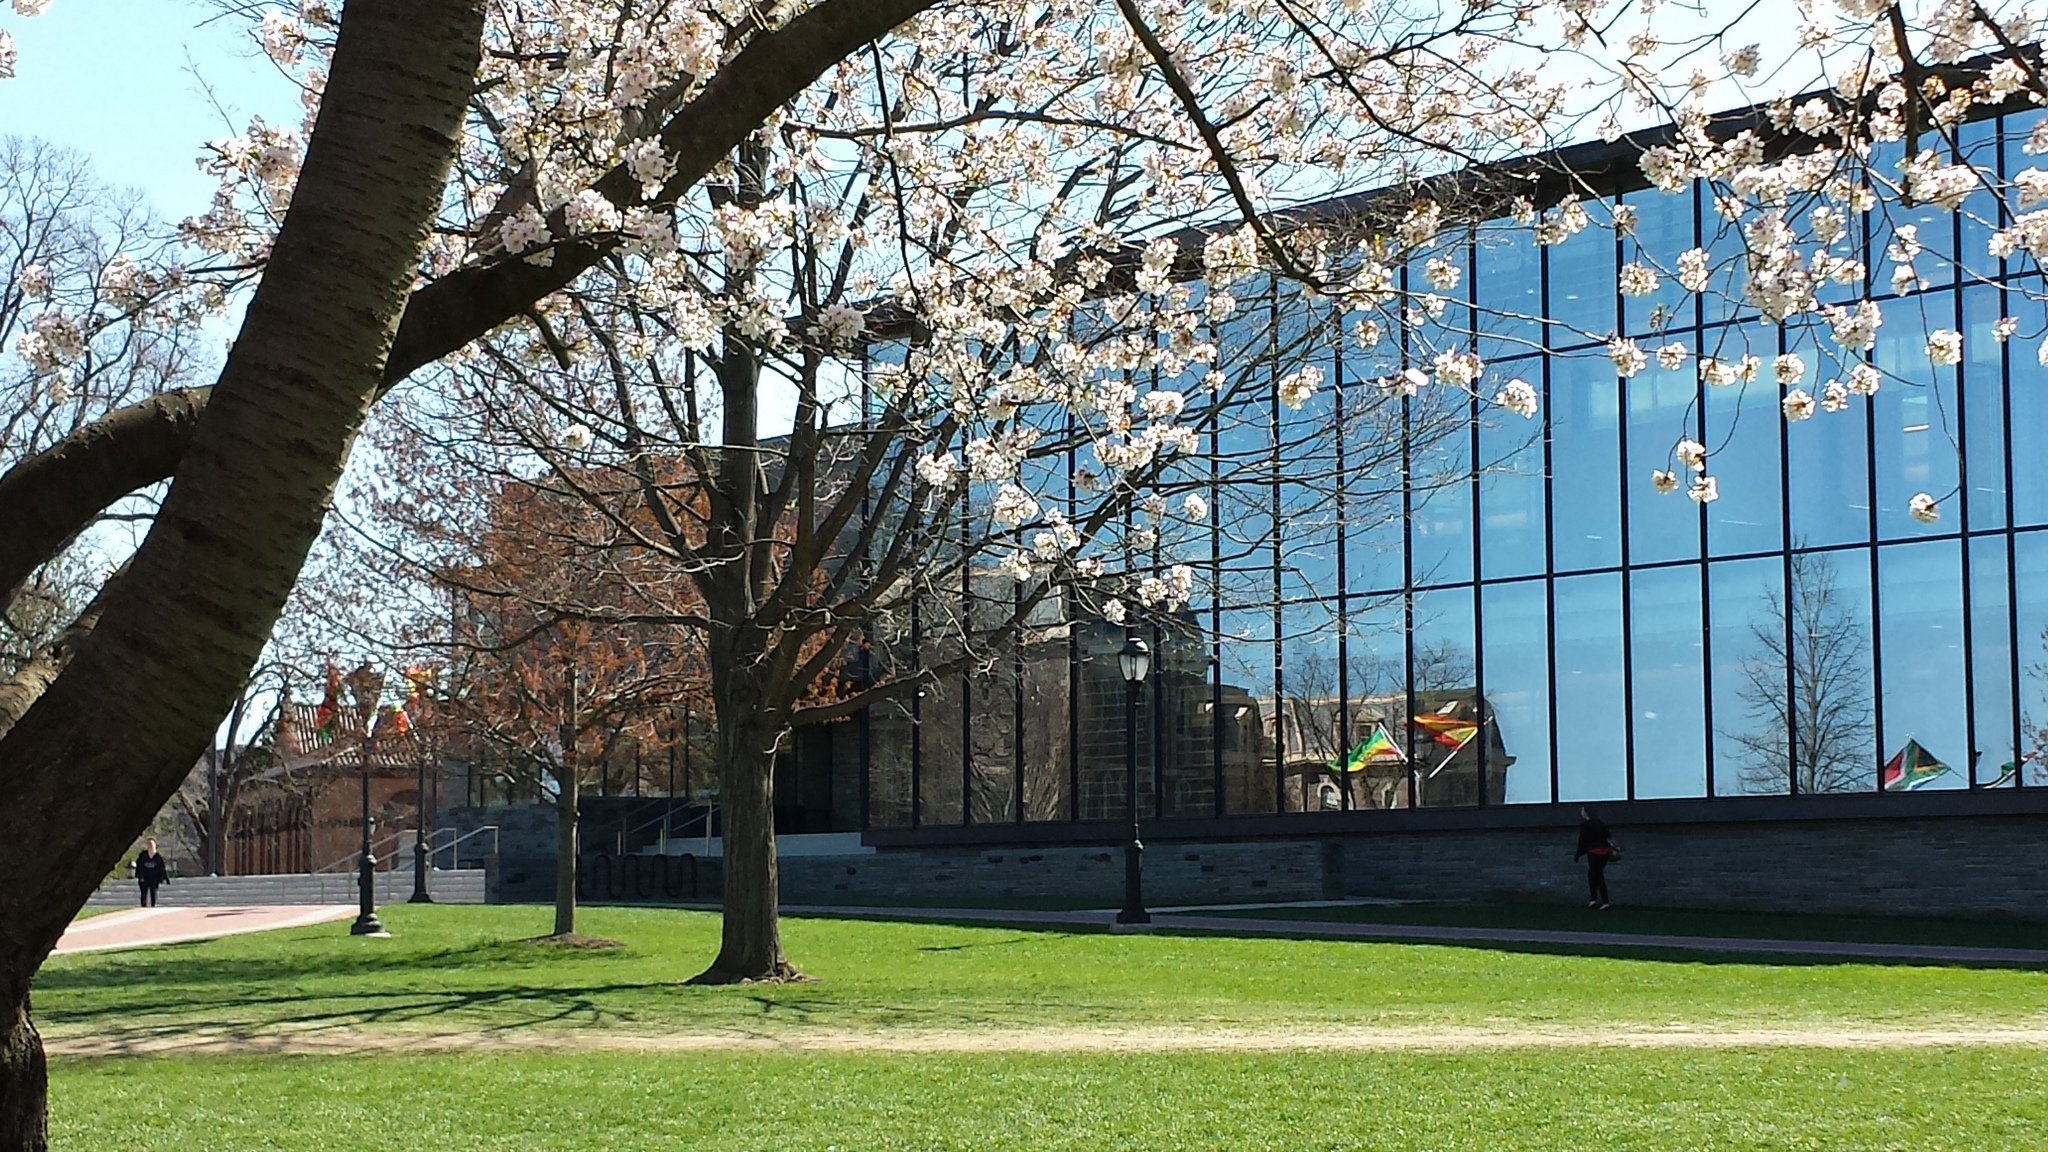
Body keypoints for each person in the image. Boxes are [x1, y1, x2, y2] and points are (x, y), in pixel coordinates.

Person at [1573, 807, 1615, 909]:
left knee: (1596, 875)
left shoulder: (1585, 826)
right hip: (1604, 853)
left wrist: (1578, 855)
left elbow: (1582, 841)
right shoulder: (1600, 824)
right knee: (1594, 874)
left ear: (1586, 813)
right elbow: (1608, 837)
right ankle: (1594, 900)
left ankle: (1604, 901)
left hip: (1594, 853)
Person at [135, 838, 170, 907]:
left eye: (152, 845)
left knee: (153, 892)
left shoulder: (158, 857)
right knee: (143, 893)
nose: (150, 846)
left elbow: (161, 868)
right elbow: (139, 866)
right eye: (149, 845)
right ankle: (143, 905)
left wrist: (164, 878)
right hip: (145, 877)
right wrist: (140, 876)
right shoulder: (143, 855)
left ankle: (153, 905)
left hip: (154, 878)